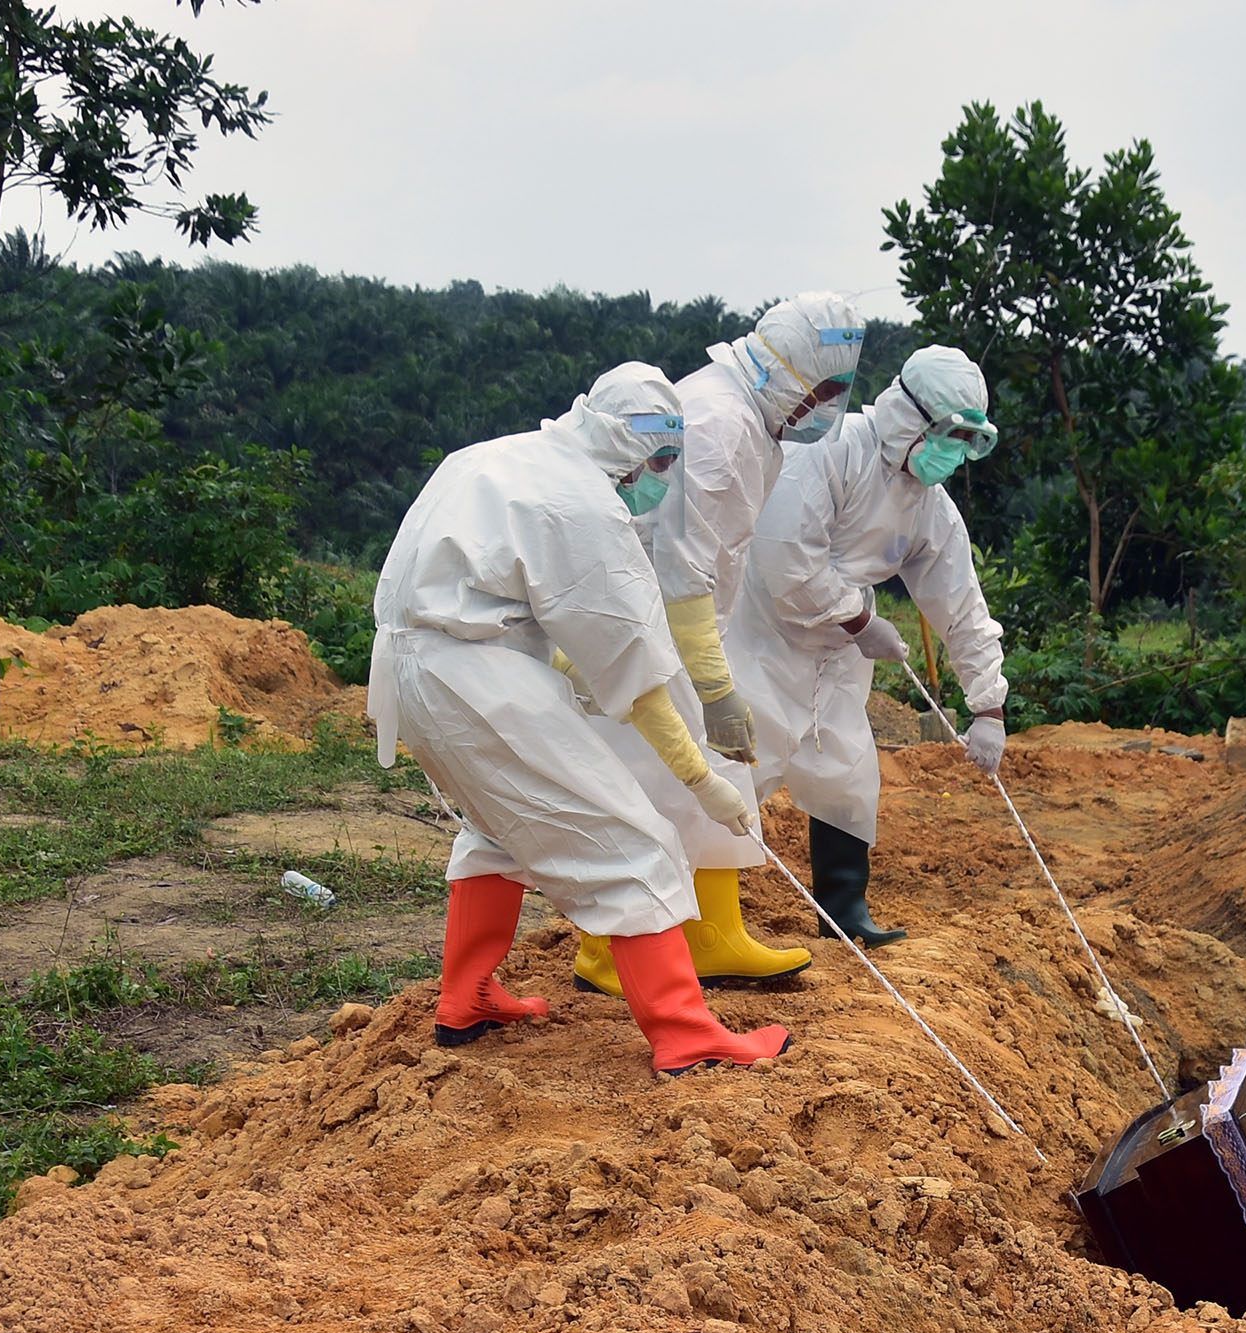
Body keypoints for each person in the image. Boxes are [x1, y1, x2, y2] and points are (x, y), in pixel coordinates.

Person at [369, 363, 786, 1072]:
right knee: (635, 844)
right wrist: (701, 780)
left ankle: (465, 996)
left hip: (408, 668)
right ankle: (686, 1034)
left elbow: (505, 595)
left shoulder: (488, 457)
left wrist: (569, 671)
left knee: (495, 830)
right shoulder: (582, 503)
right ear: (626, 446)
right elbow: (634, 664)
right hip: (479, 680)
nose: (659, 478)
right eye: (659, 460)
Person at [570, 290, 868, 1004]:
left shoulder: (749, 417)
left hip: (680, 622)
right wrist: (714, 685)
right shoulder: (722, 422)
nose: (827, 407)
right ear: (788, 372)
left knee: (704, 782)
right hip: (652, 620)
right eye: (823, 391)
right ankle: (604, 949)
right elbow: (681, 565)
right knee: (650, 786)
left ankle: (712, 935)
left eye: (837, 393)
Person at [729, 345, 1009, 947]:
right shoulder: (832, 451)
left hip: (839, 649)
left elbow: (961, 604)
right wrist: (859, 621)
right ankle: (700, 923)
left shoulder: (928, 506)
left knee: (847, 769)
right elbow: (785, 561)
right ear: (910, 418)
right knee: (738, 765)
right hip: (761, 632)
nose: (953, 453)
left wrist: (987, 706)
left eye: (967, 440)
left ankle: (843, 911)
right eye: (948, 435)